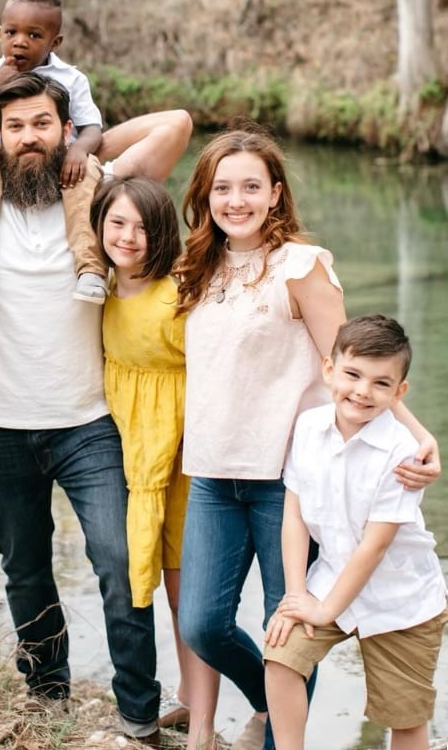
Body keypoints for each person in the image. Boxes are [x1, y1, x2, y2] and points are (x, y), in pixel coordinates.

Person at [171, 128, 441, 750]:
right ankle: (265, 705)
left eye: (251, 186)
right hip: (212, 472)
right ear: (205, 194)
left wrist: (418, 434)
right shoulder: (199, 265)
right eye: (222, 188)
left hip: (284, 478)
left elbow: (352, 368)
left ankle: (278, 741)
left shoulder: (301, 266)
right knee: (202, 625)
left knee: (287, 625)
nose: (235, 200)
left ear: (275, 193)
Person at [0, 71, 163, 746]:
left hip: (88, 422)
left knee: (118, 561)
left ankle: (139, 710)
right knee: (24, 569)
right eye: (14, 126)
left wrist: (91, 146)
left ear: (64, 129)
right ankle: (49, 696)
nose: (28, 138)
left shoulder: (98, 194)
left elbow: (175, 127)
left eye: (42, 124)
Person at [0, 0, 192, 303]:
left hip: (67, 169)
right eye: (11, 33)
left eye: (34, 35)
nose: (20, 42)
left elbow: (93, 129)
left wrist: (78, 150)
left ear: (55, 42)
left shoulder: (72, 79)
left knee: (87, 168)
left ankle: (90, 269)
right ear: (0, 34)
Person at [264, 315, 447, 750]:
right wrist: (298, 596)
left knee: (404, 715)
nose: (363, 391)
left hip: (401, 601)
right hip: (329, 581)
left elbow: (374, 546)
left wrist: (325, 611)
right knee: (281, 656)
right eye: (353, 374)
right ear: (329, 369)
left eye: (381, 383)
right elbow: (295, 515)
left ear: (399, 392)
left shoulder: (404, 452)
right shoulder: (309, 427)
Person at [90, 176, 220, 749]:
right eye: (117, 223)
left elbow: (210, 376)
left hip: (183, 454)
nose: (128, 236)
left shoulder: (177, 296)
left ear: (163, 233)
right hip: (134, 454)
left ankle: (205, 718)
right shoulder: (102, 289)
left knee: (185, 588)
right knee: (160, 577)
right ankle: (189, 699)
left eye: (142, 227)